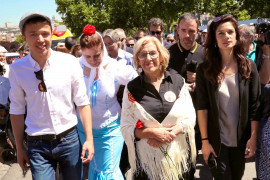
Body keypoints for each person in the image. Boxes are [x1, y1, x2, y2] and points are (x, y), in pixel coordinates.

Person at [9, 12, 94, 180]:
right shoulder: (17, 69)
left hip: (69, 139)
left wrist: (89, 139)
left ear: (51, 34)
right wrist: (19, 148)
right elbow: (16, 110)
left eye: (45, 34)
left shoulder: (69, 62)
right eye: (33, 34)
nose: (40, 39)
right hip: (37, 144)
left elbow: (83, 103)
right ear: (24, 38)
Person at [121, 36, 196, 180]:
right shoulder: (131, 89)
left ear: (161, 56)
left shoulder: (177, 81)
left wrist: (168, 135)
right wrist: (151, 133)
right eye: (143, 55)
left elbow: (190, 117)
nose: (148, 58)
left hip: (178, 160)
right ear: (137, 60)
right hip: (147, 165)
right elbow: (126, 126)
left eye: (153, 53)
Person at [196, 14, 261, 180]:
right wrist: (205, 142)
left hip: (241, 141)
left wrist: (253, 139)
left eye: (230, 32)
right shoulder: (205, 69)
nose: (227, 37)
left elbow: (255, 107)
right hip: (217, 142)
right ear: (214, 38)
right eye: (221, 33)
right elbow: (202, 107)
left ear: (237, 36)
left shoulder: (248, 67)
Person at [77, 24, 137, 179]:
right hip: (85, 130)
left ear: (103, 49)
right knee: (96, 168)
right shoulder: (75, 67)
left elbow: (136, 79)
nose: (93, 60)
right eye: (88, 56)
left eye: (97, 55)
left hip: (110, 129)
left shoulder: (114, 66)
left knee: (108, 170)